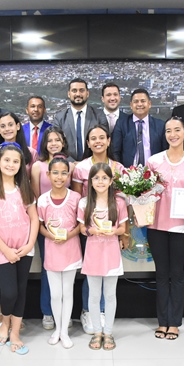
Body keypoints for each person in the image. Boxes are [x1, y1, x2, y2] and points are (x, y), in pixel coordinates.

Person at [146, 117, 184, 340]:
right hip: (156, 225)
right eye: (169, 131)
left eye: (177, 130)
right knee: (161, 274)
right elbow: (145, 193)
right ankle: (162, 322)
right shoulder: (154, 161)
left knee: (177, 275)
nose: (173, 134)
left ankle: (175, 323)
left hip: (181, 227)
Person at [0, 143, 39, 355]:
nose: (11, 164)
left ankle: (14, 333)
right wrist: (6, 250)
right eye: (7, 160)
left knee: (21, 291)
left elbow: (34, 218)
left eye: (16, 161)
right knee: (9, 292)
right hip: (2, 251)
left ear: (21, 165)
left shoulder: (24, 188)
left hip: (24, 249)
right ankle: (5, 323)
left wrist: (30, 244)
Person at [72, 124, 124, 333]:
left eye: (102, 137)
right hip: (90, 229)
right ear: (88, 143)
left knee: (109, 280)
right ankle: (89, 312)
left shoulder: (118, 167)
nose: (98, 141)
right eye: (93, 138)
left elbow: (121, 202)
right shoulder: (81, 167)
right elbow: (78, 198)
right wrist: (86, 229)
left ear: (109, 140)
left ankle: (105, 317)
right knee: (92, 275)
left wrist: (122, 232)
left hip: (111, 234)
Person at [78, 163, 128, 351]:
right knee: (94, 294)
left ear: (111, 180)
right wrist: (91, 230)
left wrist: (113, 232)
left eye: (104, 178)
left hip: (111, 254)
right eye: (96, 178)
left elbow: (123, 228)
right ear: (90, 181)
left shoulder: (119, 203)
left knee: (109, 294)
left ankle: (108, 332)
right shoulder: (84, 203)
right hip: (93, 254)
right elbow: (82, 228)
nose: (100, 181)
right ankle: (97, 332)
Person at [31, 127, 74, 330]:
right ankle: (47, 312)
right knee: (47, 270)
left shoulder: (71, 166)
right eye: (50, 140)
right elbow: (36, 198)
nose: (54, 143)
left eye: (58, 139)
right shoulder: (38, 167)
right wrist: (45, 230)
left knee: (68, 271)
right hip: (46, 228)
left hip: (67, 228)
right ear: (44, 144)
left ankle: (66, 314)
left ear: (63, 142)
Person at [37, 154, 82, 348]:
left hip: (71, 250)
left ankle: (64, 331)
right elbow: (38, 225)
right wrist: (49, 235)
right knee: (55, 294)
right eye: (55, 173)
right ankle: (57, 328)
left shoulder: (76, 198)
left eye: (64, 173)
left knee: (67, 292)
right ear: (48, 174)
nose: (59, 177)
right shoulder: (42, 200)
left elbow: (80, 226)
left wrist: (67, 236)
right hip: (52, 251)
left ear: (69, 175)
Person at [53, 78, 108, 161]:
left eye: (81, 90)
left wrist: (86, 164)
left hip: (94, 166)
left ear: (87, 93)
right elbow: (56, 145)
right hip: (68, 166)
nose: (78, 94)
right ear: (69, 94)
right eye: (74, 91)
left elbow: (104, 143)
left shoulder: (99, 115)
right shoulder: (60, 118)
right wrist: (73, 163)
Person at [112, 88, 168, 168]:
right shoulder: (122, 124)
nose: (139, 104)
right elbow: (115, 151)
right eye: (136, 102)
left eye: (143, 101)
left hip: (154, 173)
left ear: (149, 104)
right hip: (127, 174)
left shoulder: (160, 125)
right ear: (131, 105)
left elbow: (165, 152)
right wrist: (121, 172)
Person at [0, 112, 37, 177]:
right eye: (3, 126)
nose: (7, 129)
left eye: (10, 125)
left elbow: (33, 182)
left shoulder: (31, 153)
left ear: (18, 126)